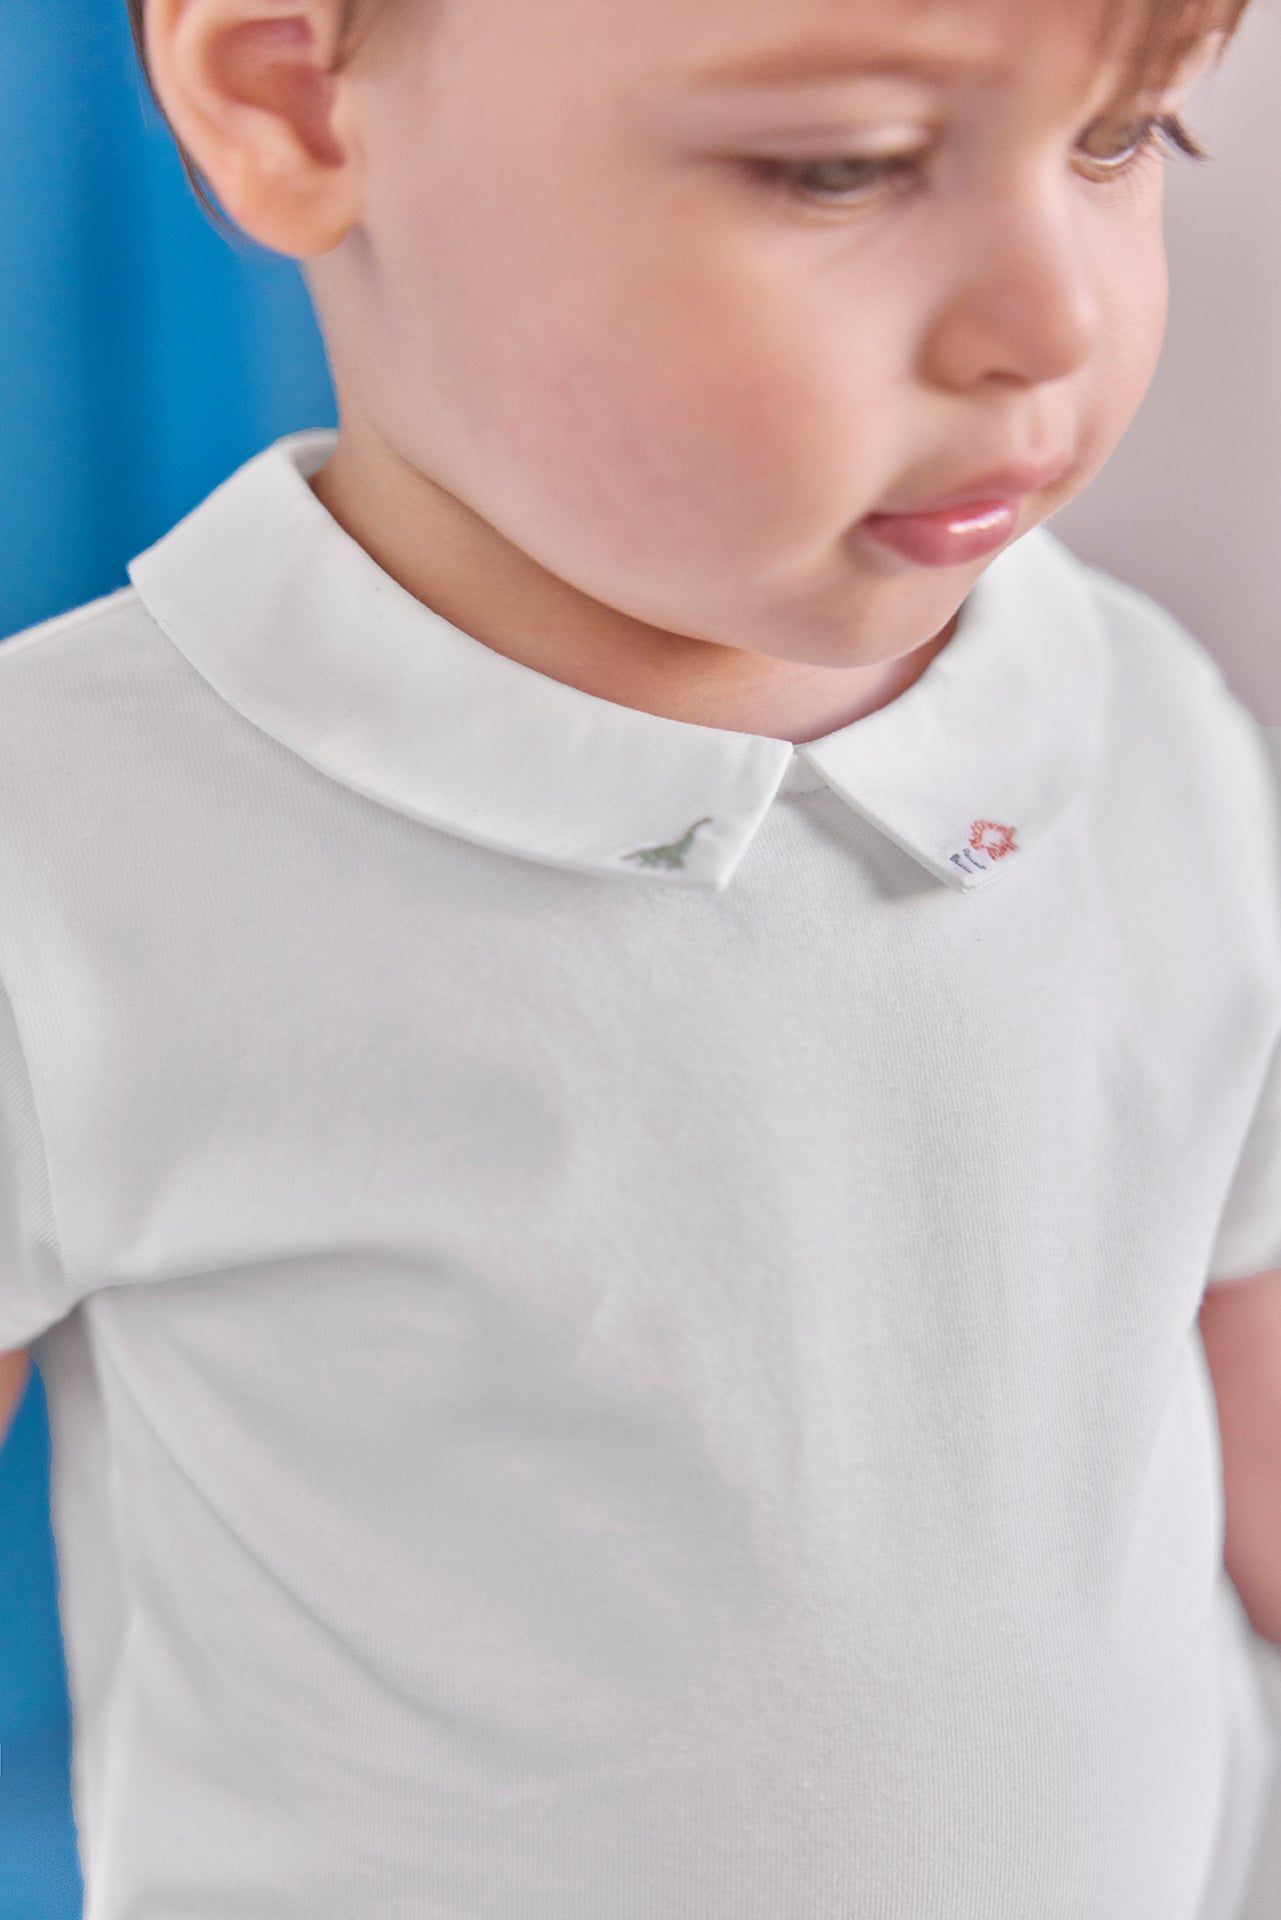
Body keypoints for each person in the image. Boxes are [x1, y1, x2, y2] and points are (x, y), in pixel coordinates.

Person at [2, 0, 1279, 1913]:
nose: (1050, 320)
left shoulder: (1149, 717)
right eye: (841, 168)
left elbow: (1241, 1369)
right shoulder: (74, 838)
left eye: (1121, 136)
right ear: (295, 99)